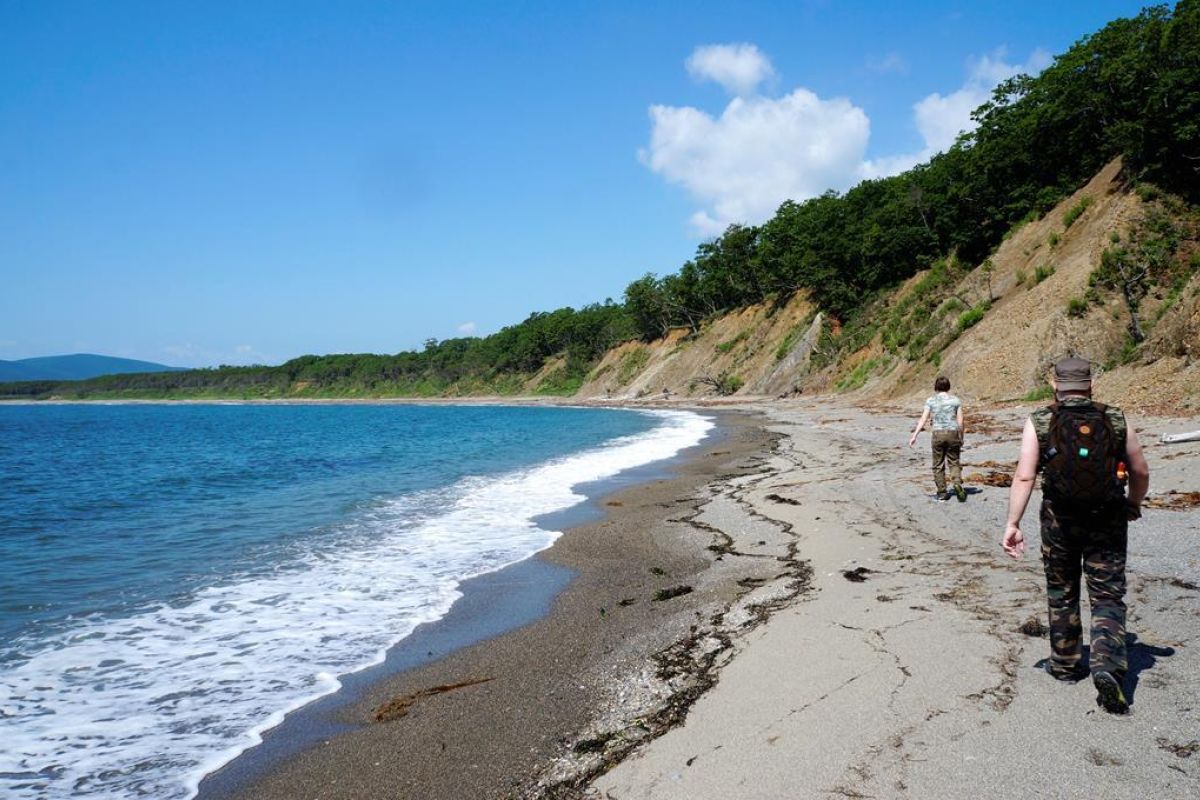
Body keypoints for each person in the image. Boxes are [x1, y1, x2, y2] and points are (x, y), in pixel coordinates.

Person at [1002, 356, 1150, 714]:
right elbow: (1140, 469)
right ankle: (1107, 665)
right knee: (1107, 594)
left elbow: (1025, 476)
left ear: (1055, 384)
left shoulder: (1040, 420)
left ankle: (1066, 664)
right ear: (1090, 385)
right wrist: (1132, 502)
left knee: (1062, 590)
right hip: (1108, 518)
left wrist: (1013, 523)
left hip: (1058, 520)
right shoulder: (1114, 418)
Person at [909, 376, 965, 502]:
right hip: (953, 433)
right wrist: (961, 436)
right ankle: (956, 483)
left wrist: (915, 435)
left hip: (938, 434)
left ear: (936, 387)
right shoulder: (956, 400)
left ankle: (942, 493)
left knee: (938, 464)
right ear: (948, 386)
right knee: (954, 461)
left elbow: (923, 418)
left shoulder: (931, 401)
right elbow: (960, 421)